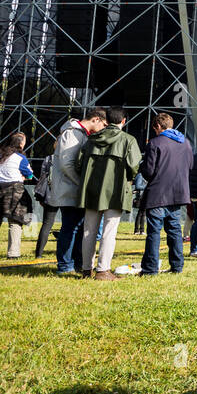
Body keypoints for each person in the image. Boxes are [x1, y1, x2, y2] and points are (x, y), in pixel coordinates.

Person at [76, 106, 141, 280]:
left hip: (90, 190)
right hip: (115, 190)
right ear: (123, 121)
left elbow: (78, 164)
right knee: (109, 232)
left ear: (107, 120)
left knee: (88, 231)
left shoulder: (91, 140)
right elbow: (134, 166)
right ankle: (103, 270)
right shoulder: (128, 140)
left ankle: (85, 270)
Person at [48, 108, 108, 276]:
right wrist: (82, 184)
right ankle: (65, 265)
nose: (103, 128)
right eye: (103, 124)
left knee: (80, 228)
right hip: (69, 191)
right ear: (96, 119)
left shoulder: (81, 134)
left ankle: (77, 263)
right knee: (70, 228)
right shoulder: (72, 133)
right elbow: (67, 164)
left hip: (76, 191)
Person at [138, 112, 193, 276]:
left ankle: (150, 269)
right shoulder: (186, 143)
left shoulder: (155, 142)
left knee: (154, 232)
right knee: (174, 230)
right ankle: (177, 266)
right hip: (178, 193)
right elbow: (190, 166)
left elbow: (148, 171)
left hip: (158, 193)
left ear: (157, 127)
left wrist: (142, 168)